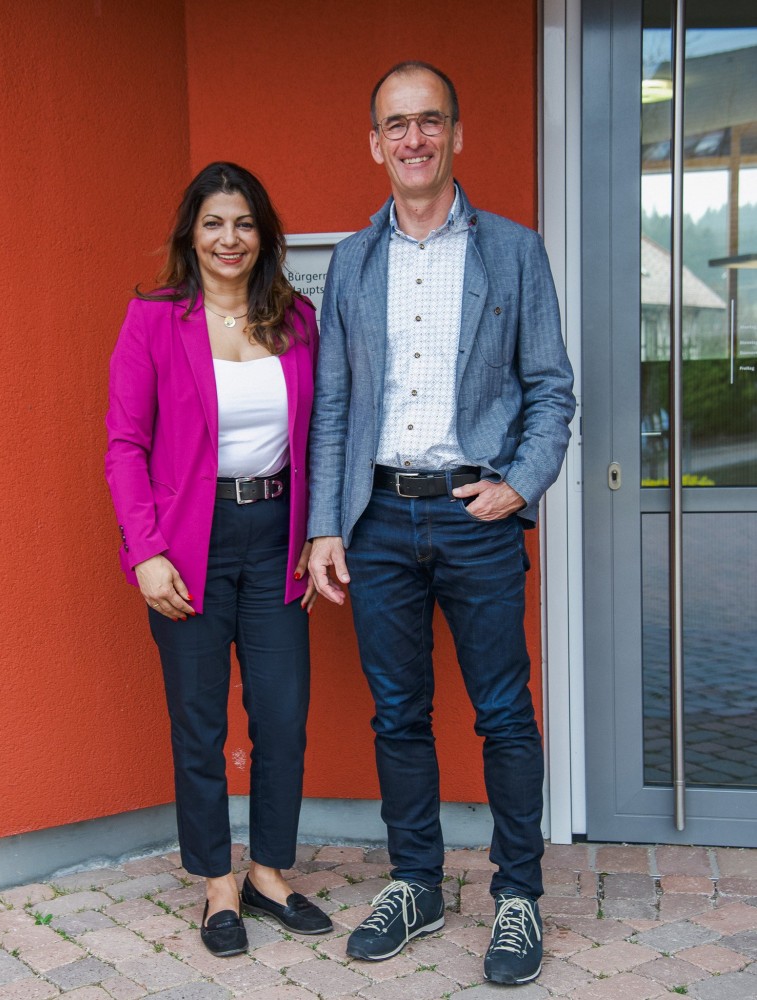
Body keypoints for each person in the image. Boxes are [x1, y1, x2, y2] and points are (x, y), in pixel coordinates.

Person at [307, 63, 575, 985]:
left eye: (429, 122)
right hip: (376, 517)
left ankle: (516, 898)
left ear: (457, 135)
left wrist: (518, 484)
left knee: (502, 714)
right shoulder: (351, 261)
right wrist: (323, 526)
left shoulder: (512, 250)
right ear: (373, 143)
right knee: (398, 714)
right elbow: (333, 407)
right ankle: (416, 883)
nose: (413, 139)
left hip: (475, 516)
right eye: (396, 125)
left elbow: (550, 390)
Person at [105, 162, 332, 957]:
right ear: (190, 235)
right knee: (199, 724)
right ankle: (215, 885)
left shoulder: (297, 320)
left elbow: (320, 436)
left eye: (242, 224)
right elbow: (125, 446)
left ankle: (268, 872)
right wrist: (146, 553)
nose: (228, 239)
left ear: (263, 235)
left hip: (276, 539)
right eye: (212, 224)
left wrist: (316, 531)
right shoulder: (153, 318)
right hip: (187, 545)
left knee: (281, 715)